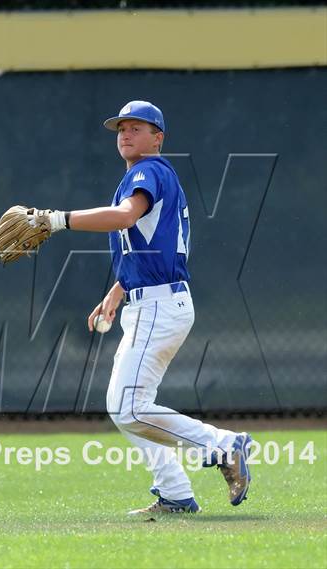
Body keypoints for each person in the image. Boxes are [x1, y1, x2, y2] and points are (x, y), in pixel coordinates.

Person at [30, 100, 252, 516]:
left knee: (130, 406)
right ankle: (175, 493)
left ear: (158, 138)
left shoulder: (148, 171)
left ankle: (225, 445)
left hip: (159, 306)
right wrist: (117, 292)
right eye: (121, 129)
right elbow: (150, 245)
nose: (126, 134)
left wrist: (56, 219)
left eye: (137, 127)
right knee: (125, 406)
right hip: (151, 301)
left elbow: (123, 218)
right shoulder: (148, 177)